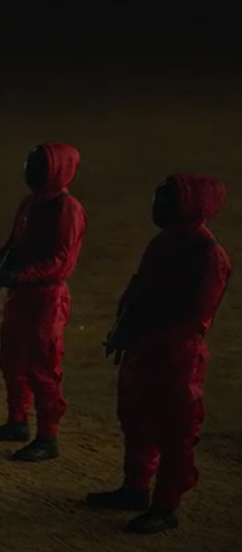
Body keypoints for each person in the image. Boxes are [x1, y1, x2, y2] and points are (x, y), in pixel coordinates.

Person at [87, 175, 230, 533]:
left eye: (166, 201)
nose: (157, 208)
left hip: (176, 352)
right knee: (137, 418)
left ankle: (166, 505)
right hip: (147, 345)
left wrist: (143, 323)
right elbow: (139, 285)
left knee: (174, 429)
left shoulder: (208, 254)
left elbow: (196, 313)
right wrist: (124, 324)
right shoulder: (164, 243)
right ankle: (136, 487)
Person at [0, 143, 86, 462]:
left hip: (46, 298)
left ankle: (47, 436)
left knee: (42, 367)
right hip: (22, 294)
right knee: (12, 360)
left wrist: (21, 274)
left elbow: (61, 261)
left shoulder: (67, 208)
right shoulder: (30, 203)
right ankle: (17, 420)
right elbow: (15, 242)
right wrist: (5, 262)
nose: (30, 171)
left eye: (38, 165)